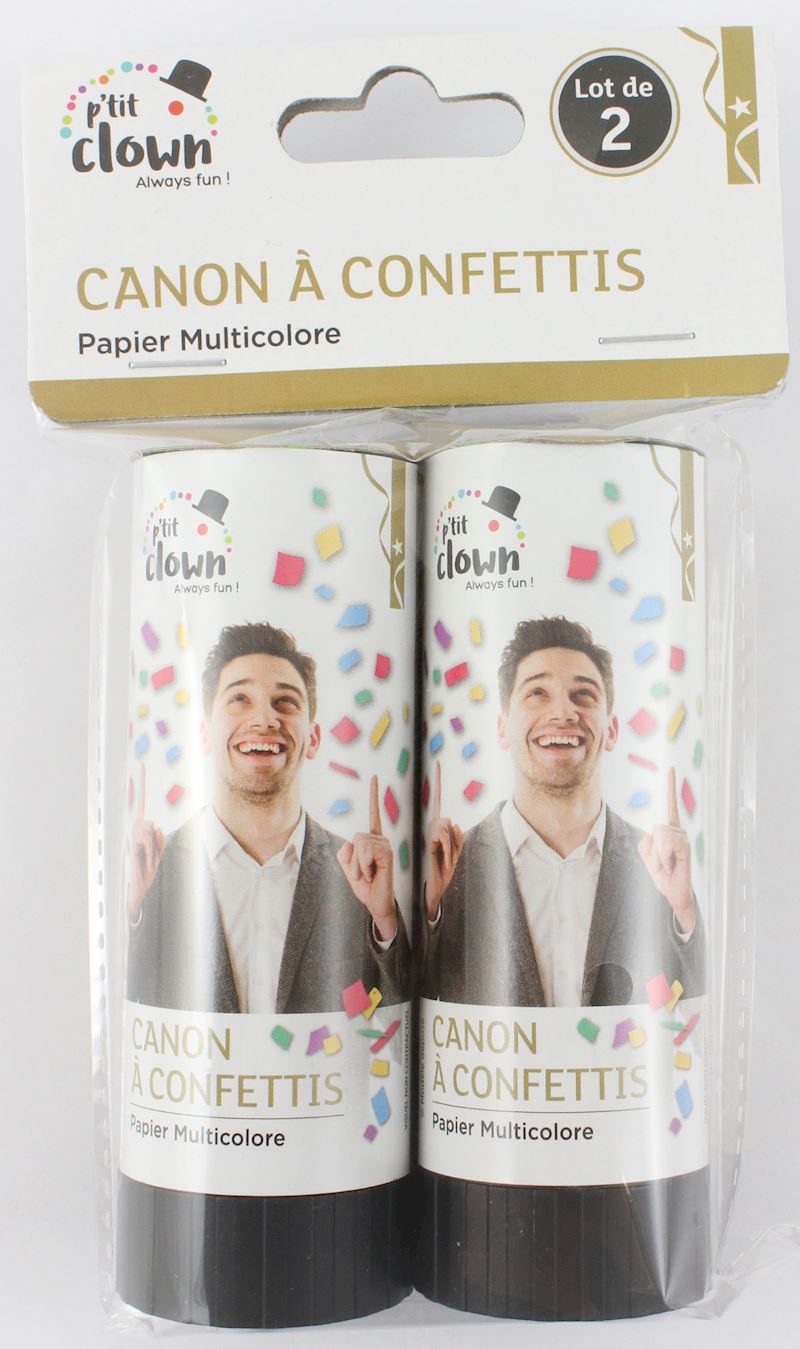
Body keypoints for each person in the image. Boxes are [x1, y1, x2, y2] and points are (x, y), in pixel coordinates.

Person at [127, 622, 409, 1014]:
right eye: (239, 698)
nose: (264, 720)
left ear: (313, 739)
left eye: (285, 702)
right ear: (204, 733)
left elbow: (389, 1021)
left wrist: (385, 920)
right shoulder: (150, 870)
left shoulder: (360, 877)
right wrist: (131, 910)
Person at [423, 615, 702, 1006]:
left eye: (583, 695)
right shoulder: (448, 867)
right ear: (502, 728)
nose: (563, 713)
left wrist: (684, 912)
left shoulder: (659, 870)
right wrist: (427, 908)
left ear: (612, 730)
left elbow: (689, 1012)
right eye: (537, 693)